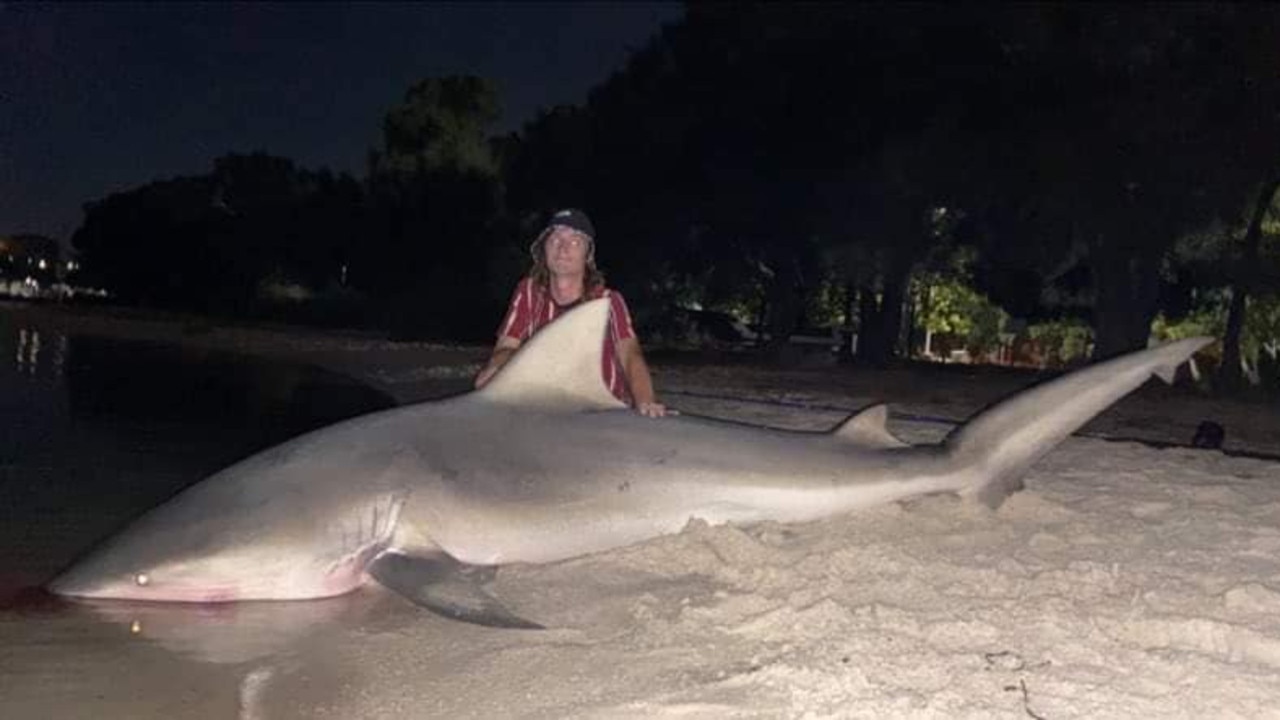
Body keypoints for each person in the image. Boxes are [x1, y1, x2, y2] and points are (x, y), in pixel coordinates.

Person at [474, 208, 668, 417]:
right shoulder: (528, 293)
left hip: (605, 411)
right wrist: (499, 367)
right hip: (544, 408)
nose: (563, 248)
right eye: (555, 239)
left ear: (588, 256)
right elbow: (504, 349)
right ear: (543, 250)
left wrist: (645, 401)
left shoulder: (607, 302)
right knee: (486, 384)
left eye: (575, 242)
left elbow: (630, 355)